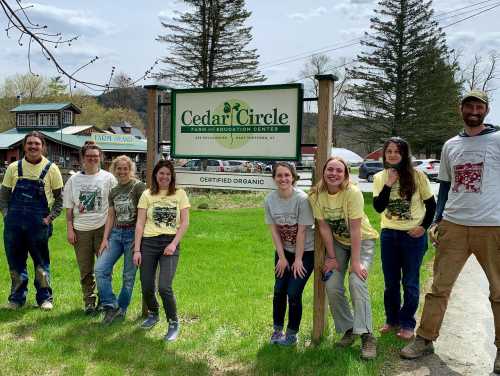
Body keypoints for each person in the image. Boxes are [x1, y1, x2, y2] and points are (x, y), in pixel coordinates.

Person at [400, 90, 500, 374]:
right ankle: (425, 339)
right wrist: (438, 219)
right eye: (468, 105)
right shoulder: (450, 145)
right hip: (454, 226)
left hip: (492, 226)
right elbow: (444, 185)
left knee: (499, 291)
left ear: (486, 109)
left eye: (478, 105)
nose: (473, 110)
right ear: (461, 109)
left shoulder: (498, 139)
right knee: (439, 288)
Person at [309, 156, 379, 360]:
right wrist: (331, 257)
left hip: (362, 240)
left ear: (346, 174)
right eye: (330, 169)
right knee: (331, 283)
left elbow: (356, 230)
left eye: (339, 170)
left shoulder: (352, 193)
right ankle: (349, 329)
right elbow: (323, 228)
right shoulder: (315, 195)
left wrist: (355, 262)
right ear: (323, 172)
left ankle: (367, 335)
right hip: (338, 243)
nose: (334, 174)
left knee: (357, 281)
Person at [373, 137, 436, 340]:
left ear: (404, 154)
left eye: (397, 151)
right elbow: (378, 207)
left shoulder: (418, 176)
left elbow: (432, 205)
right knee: (391, 282)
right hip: (389, 235)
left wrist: (423, 228)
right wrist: (389, 183)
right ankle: (392, 320)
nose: (392, 155)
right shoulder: (380, 177)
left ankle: (408, 323)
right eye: (389, 151)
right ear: (384, 154)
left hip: (412, 237)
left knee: (410, 282)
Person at [0, 131, 63, 310]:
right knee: (16, 262)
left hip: (39, 225)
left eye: (37, 143)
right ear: (24, 146)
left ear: (43, 146)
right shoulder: (14, 167)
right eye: (30, 143)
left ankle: (45, 298)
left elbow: (60, 199)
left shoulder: (51, 169)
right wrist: (6, 215)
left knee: (41, 263)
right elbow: (3, 197)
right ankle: (16, 298)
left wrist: (50, 218)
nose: (33, 146)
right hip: (14, 225)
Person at [133, 160, 190, 342]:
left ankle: (173, 323)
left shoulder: (180, 194)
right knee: (146, 284)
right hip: (148, 243)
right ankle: (153, 313)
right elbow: (140, 224)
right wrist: (137, 250)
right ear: (155, 175)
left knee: (164, 287)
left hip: (169, 243)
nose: (164, 177)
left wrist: (173, 244)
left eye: (167, 174)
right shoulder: (147, 194)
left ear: (172, 176)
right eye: (161, 173)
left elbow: (185, 223)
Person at [63, 141, 116, 315]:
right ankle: (89, 302)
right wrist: (70, 229)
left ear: (100, 157)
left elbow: (114, 205)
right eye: (89, 156)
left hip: (102, 228)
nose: (92, 159)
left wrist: (111, 232)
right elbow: (69, 208)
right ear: (83, 159)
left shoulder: (108, 178)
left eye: (95, 156)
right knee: (86, 269)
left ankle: (104, 300)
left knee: (103, 268)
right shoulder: (73, 180)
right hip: (81, 229)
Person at [265, 162, 315, 346]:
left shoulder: (302, 199)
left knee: (293, 292)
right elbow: (274, 231)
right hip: (283, 251)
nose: (283, 179)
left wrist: (299, 259)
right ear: (274, 178)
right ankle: (277, 330)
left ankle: (292, 334)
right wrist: (283, 258)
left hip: (306, 252)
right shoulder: (269, 200)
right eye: (279, 175)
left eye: (287, 175)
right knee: (279, 291)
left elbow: (302, 231)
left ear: (293, 177)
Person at [95, 155, 146, 324]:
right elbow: (111, 216)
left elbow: (143, 215)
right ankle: (111, 305)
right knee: (101, 269)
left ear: (130, 169)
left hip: (133, 235)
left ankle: (122, 309)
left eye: (126, 168)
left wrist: (138, 241)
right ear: (114, 170)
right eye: (119, 169)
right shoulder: (114, 191)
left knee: (128, 276)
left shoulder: (139, 187)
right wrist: (105, 239)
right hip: (116, 234)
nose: (122, 171)